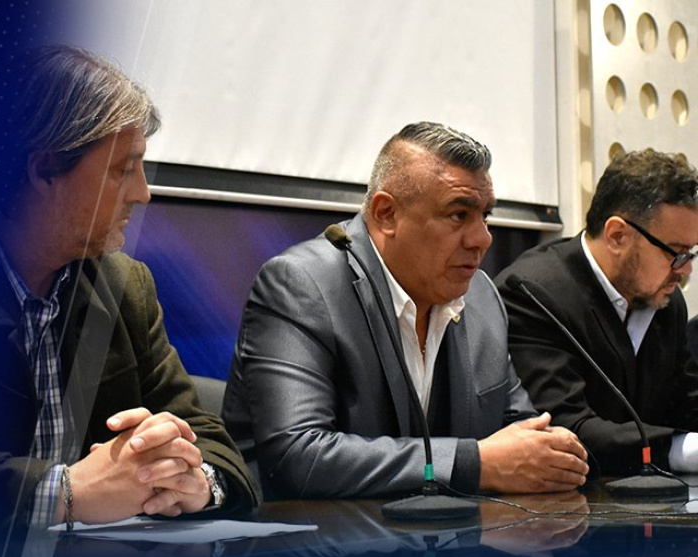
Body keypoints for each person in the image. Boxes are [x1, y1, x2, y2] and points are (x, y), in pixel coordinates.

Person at [0, 45, 257, 526]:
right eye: (124, 170)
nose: (143, 193)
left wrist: (196, 480)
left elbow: (208, 440)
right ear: (45, 170)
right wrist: (64, 492)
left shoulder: (122, 285)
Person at [223, 122, 588, 499]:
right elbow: (298, 456)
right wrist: (471, 464)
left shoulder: (480, 295)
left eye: (485, 216)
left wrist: (553, 453)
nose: (482, 239)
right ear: (386, 214)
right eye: (458, 215)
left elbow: (519, 428)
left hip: (447, 530)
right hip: (310, 531)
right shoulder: (302, 285)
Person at [495, 149, 698, 475]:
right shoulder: (534, 294)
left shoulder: (665, 301)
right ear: (617, 236)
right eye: (676, 253)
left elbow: (684, 404)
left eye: (690, 254)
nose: (685, 271)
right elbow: (566, 429)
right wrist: (683, 452)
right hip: (563, 502)